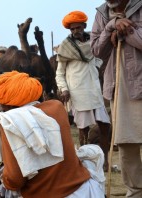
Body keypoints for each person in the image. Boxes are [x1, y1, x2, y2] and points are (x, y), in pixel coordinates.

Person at [0, 71, 105, 198]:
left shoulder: (9, 122)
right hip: (84, 190)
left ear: (6, 104)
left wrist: (2, 177)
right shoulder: (57, 107)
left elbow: (15, 179)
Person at [90, 0, 142, 197]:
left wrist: (126, 31)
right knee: (127, 142)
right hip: (119, 86)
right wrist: (111, 26)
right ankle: (136, 192)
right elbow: (96, 50)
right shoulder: (102, 14)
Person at [55, 10, 111, 171]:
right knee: (83, 130)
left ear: (84, 26)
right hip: (78, 92)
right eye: (72, 29)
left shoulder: (94, 42)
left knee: (104, 127)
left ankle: (105, 161)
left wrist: (97, 67)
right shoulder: (65, 47)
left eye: (78, 28)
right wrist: (64, 89)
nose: (75, 31)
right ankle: (83, 162)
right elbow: (59, 73)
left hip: (94, 90)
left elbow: (99, 58)